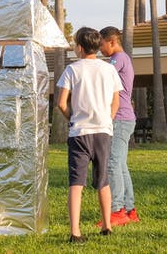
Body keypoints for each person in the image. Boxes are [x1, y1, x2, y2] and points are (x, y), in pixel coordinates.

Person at [57, 27, 122, 243]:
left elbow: (61, 103)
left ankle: (75, 232)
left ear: (79, 47)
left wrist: (72, 118)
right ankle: (107, 226)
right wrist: (108, 119)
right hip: (103, 131)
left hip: (80, 132)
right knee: (103, 180)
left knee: (76, 183)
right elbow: (116, 101)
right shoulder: (109, 69)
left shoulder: (72, 70)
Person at [99, 26, 138, 227]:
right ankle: (129, 210)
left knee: (113, 163)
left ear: (112, 42)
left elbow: (103, 78)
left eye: (101, 44)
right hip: (124, 118)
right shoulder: (121, 59)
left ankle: (117, 210)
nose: (100, 49)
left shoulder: (118, 58)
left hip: (120, 118)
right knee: (120, 164)